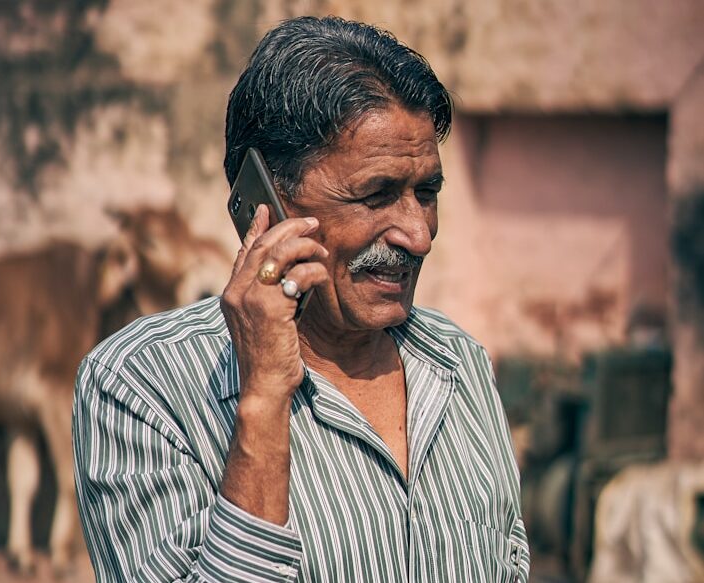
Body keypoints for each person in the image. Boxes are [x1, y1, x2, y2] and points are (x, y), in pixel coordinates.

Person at [73, 15, 530, 583]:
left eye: (427, 192)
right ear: (266, 201)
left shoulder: (458, 362)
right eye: (377, 195)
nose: (418, 235)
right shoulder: (140, 386)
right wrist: (264, 396)